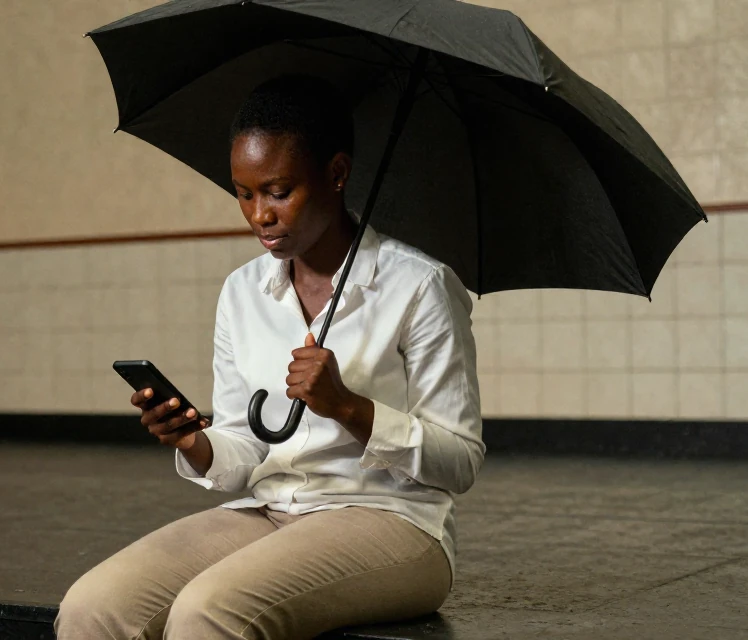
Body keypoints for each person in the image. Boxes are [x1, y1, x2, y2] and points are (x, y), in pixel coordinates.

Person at [55, 74, 484, 639]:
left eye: (279, 191)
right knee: (94, 606)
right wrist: (196, 442)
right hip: (271, 511)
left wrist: (349, 408)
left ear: (336, 174)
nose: (260, 214)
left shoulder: (419, 287)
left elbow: (460, 461)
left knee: (208, 612)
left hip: (396, 523)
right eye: (245, 192)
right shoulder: (242, 292)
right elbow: (245, 449)